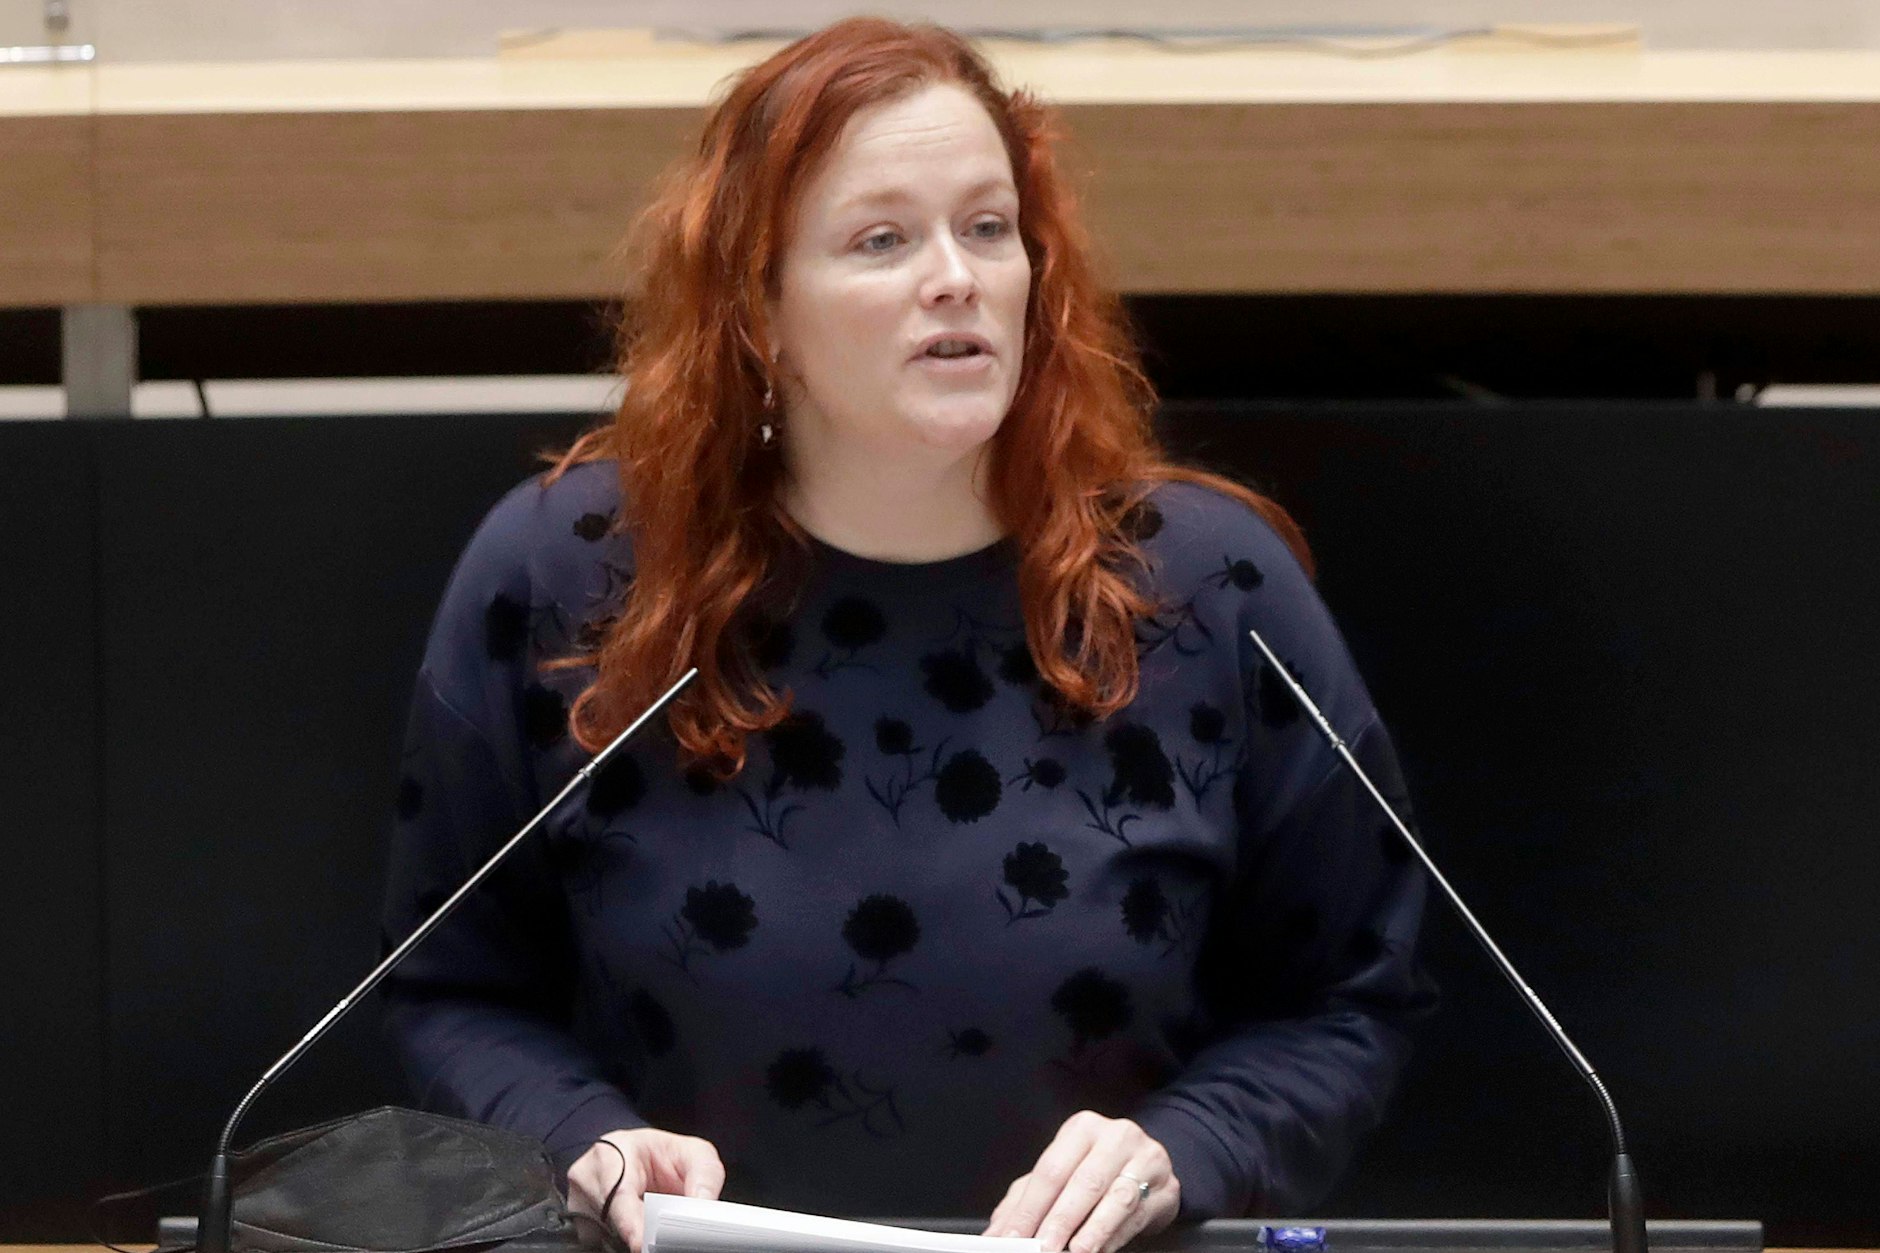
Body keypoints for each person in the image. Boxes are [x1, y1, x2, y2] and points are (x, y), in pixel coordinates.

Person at [380, 17, 1433, 1253]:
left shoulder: (1201, 585)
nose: (956, 277)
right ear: (756, 312)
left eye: (987, 228)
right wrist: (578, 1137)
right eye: (882, 239)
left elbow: (1350, 996)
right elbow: (448, 989)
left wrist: (1185, 1148)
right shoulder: (571, 576)